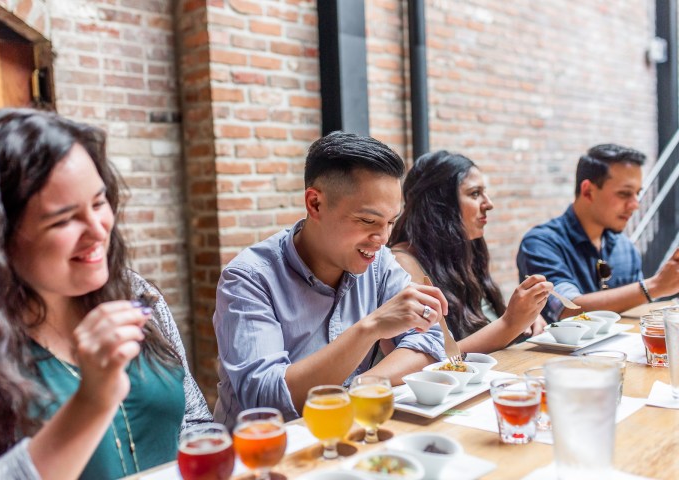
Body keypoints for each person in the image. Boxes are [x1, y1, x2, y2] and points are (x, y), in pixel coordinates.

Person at [0, 108, 211, 479]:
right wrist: (92, 402)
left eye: (98, 202)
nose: (98, 230)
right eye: (63, 219)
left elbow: (194, 423)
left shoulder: (137, 295)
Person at [213, 131, 449, 427]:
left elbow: (428, 342)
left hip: (341, 433)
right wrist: (371, 328)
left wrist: (360, 386)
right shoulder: (248, 278)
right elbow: (268, 399)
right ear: (315, 204)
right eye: (367, 221)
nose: (383, 238)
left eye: (390, 222)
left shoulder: (379, 263)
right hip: (261, 455)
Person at [387, 150, 552, 353]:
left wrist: (527, 317)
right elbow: (427, 358)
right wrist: (511, 323)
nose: (488, 204)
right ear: (439, 205)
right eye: (475, 194)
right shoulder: (402, 263)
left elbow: (484, 324)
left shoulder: (463, 249)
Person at [517, 143, 679, 323]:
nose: (635, 204)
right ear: (588, 191)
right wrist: (655, 286)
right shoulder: (541, 243)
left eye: (637, 194)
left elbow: (638, 309)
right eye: (625, 194)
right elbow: (568, 309)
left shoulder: (625, 248)